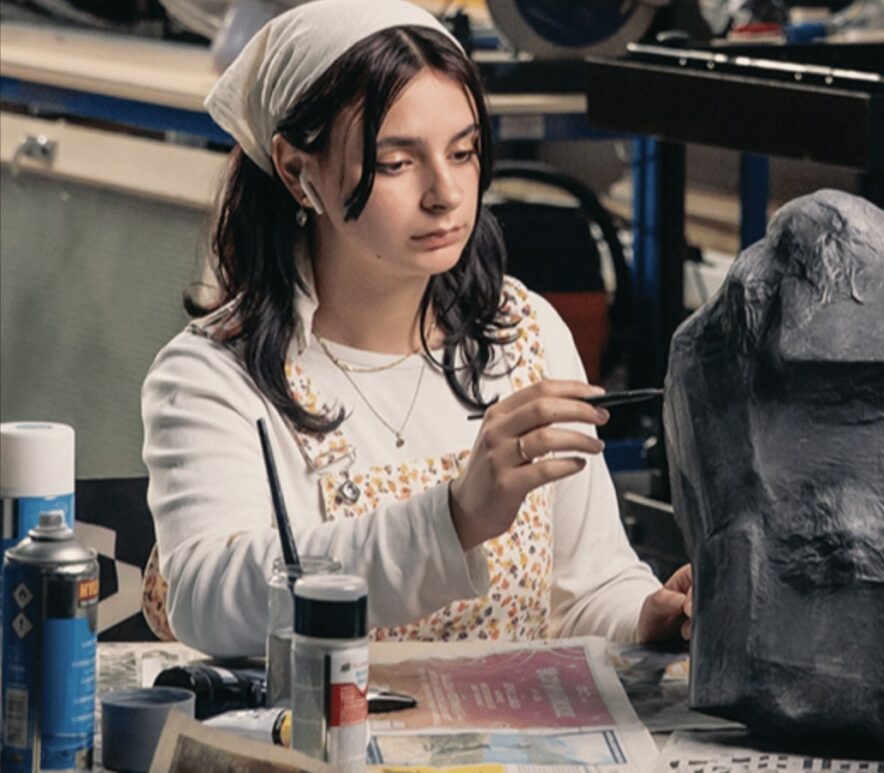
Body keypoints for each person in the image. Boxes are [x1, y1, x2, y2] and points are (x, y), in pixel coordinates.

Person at [141, 0, 692, 658]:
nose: (447, 192)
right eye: (398, 162)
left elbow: (586, 585)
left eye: (463, 153)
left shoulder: (526, 337)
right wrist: (453, 517)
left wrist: (646, 612)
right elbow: (206, 598)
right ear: (296, 170)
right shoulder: (213, 375)